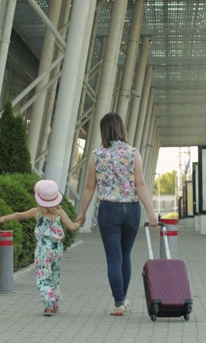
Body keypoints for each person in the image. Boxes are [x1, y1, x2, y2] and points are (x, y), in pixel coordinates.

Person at [75, 112, 158, 317]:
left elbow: (89, 187)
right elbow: (140, 184)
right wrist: (150, 211)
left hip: (108, 210)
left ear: (103, 130)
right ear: (121, 129)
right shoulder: (133, 153)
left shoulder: (96, 155)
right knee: (125, 255)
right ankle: (123, 297)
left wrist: (82, 213)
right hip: (131, 209)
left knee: (114, 257)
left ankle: (119, 301)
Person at [0, 179, 79, 317]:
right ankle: (55, 300)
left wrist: (3, 218)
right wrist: (79, 222)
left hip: (43, 249)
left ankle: (48, 304)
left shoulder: (37, 212)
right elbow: (72, 227)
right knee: (54, 274)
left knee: (43, 275)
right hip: (57, 248)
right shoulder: (60, 213)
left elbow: (19, 215)